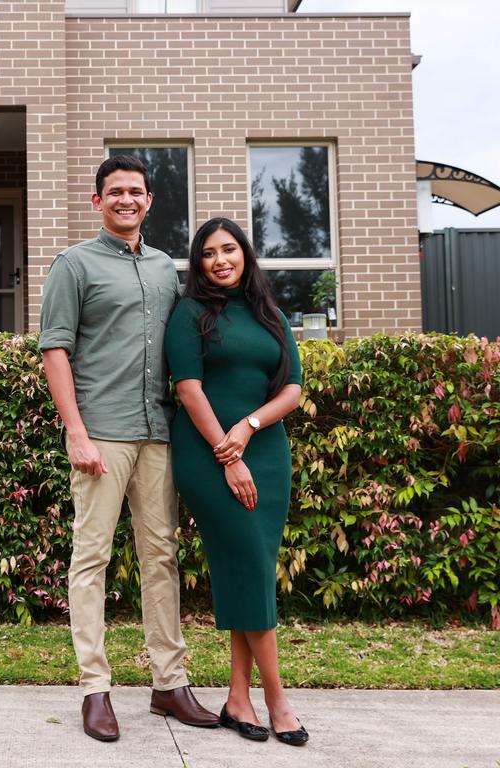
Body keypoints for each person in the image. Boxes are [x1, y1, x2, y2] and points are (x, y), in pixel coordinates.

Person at [39, 155, 219, 742]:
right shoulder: (74, 264)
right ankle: (95, 688)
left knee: (160, 558)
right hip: (103, 434)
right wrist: (76, 430)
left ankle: (169, 683)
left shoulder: (168, 268)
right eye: (114, 192)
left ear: (149, 201)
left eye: (135, 192)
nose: (126, 200)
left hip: (158, 433)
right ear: (98, 202)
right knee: (91, 558)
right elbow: (55, 350)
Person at [164, 217, 309, 747]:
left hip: (267, 453)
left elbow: (292, 387)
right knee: (249, 566)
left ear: (245, 254)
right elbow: (188, 389)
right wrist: (228, 453)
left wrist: (249, 428)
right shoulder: (190, 313)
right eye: (208, 253)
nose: (220, 260)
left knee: (252, 570)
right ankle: (278, 700)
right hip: (208, 456)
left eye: (229, 250)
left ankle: (237, 698)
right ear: (197, 263)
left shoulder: (270, 313)